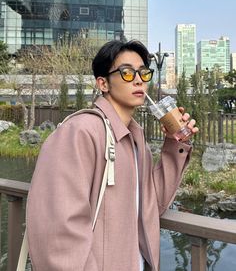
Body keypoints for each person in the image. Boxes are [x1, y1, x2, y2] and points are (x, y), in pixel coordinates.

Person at [27, 40, 198, 271]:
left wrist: (175, 144)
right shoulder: (80, 132)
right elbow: (57, 231)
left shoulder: (136, 139)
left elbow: (151, 204)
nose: (138, 79)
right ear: (103, 83)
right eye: (127, 72)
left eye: (144, 73)